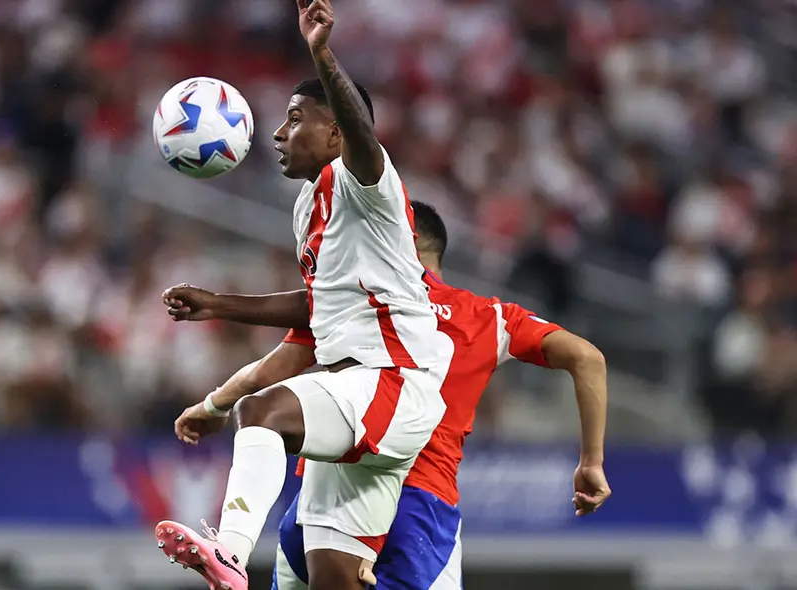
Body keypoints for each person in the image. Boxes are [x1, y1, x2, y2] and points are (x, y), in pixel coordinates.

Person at [167, 201, 612, 589]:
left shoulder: (359, 304)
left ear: (402, 237)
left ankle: (232, 549)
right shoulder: (489, 318)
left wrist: (214, 405)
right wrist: (590, 462)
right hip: (417, 505)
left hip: (320, 502)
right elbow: (587, 358)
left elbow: (269, 372)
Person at [154, 2, 448, 589]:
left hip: (393, 378)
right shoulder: (306, 207)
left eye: (294, 118)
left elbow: (363, 134)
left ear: (336, 130)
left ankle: (231, 553)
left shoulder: (366, 183)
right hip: (354, 397)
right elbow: (313, 317)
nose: (279, 133)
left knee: (261, 413)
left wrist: (321, 52)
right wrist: (217, 310)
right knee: (330, 581)